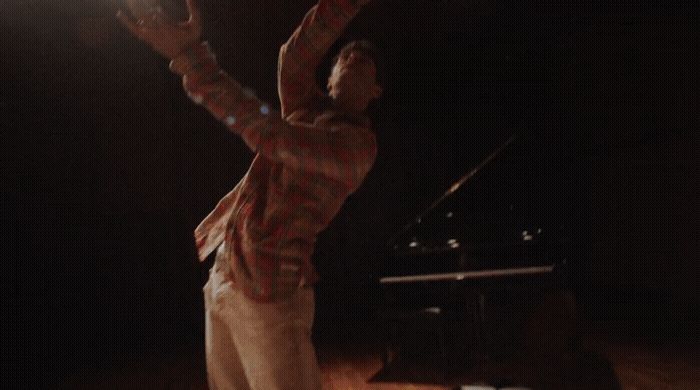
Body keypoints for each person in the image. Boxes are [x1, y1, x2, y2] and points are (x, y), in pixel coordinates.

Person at [117, 0, 381, 388]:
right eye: (346, 59)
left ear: (376, 90)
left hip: (270, 290)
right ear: (330, 77)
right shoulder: (304, 107)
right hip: (226, 271)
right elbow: (294, 55)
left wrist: (192, 60)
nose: (352, 63)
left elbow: (273, 137)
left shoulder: (358, 147)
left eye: (364, 65)